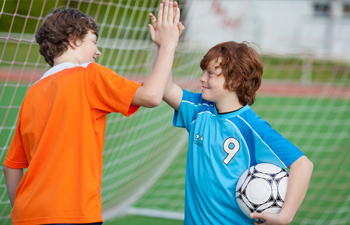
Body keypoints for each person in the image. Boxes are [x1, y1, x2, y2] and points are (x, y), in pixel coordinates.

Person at [3, 1, 181, 224]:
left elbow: (12, 166)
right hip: (74, 215)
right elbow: (152, 95)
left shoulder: (32, 93)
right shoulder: (88, 75)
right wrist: (168, 45)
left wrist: (20, 210)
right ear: (73, 40)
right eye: (93, 42)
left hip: (27, 215)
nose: (98, 52)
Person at [148, 16, 314, 225]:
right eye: (203, 72)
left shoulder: (252, 127)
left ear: (234, 81)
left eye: (211, 74)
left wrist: (285, 216)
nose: (202, 78)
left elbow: (303, 165)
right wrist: (164, 46)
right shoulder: (199, 111)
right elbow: (162, 86)